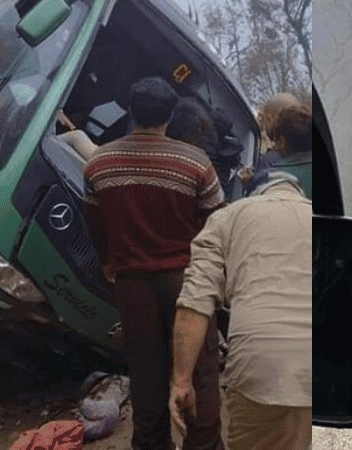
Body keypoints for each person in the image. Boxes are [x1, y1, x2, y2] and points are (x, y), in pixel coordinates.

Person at [83, 76, 225, 450]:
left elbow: (96, 224)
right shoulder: (195, 163)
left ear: (131, 111)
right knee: (199, 372)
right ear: (171, 114)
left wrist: (108, 264)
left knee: (146, 376)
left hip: (132, 286)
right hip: (187, 284)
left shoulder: (99, 163)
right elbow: (215, 225)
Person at [170, 172, 312, 449]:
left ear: (254, 194)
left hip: (259, 366)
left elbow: (194, 304)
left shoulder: (227, 217)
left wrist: (182, 380)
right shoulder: (319, 219)